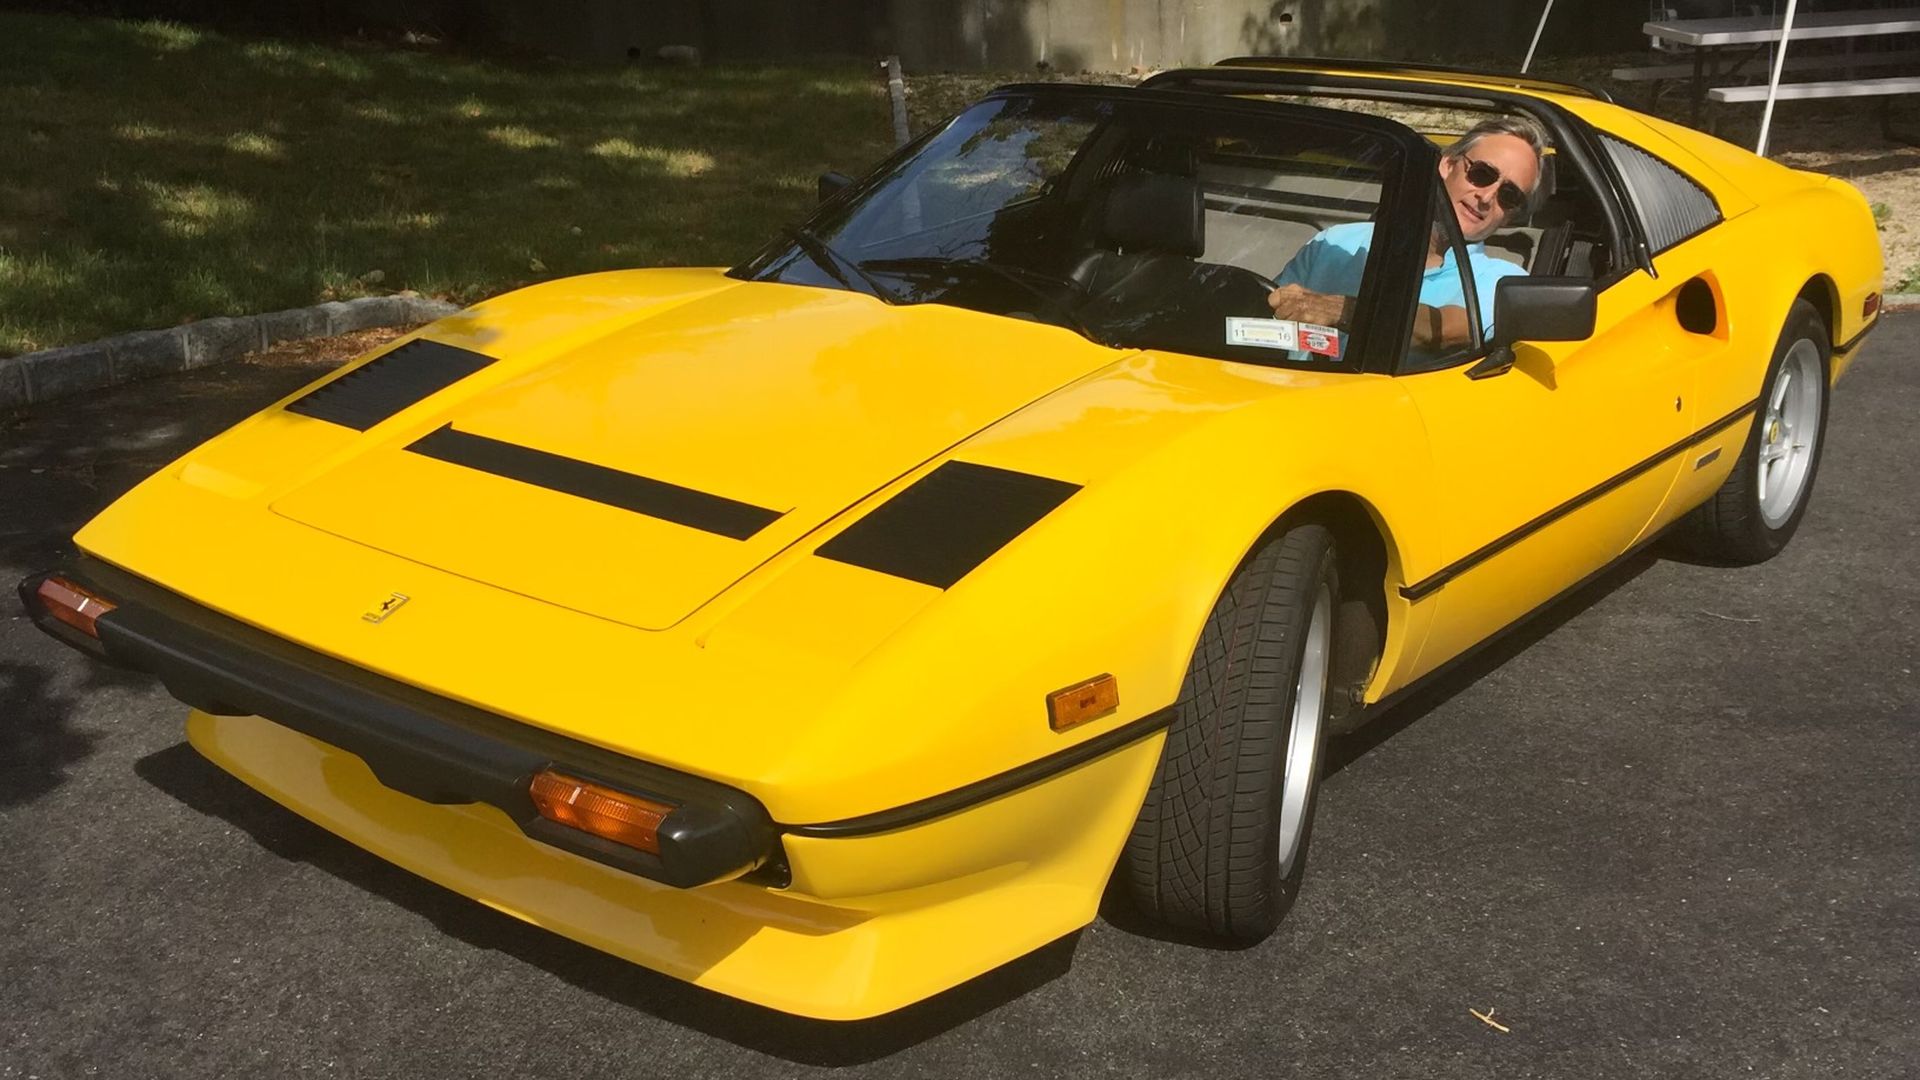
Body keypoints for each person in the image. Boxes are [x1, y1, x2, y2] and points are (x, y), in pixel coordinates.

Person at [1266, 115, 1549, 353]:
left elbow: (1445, 330)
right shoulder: (1334, 242)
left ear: (1510, 214)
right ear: (1447, 165)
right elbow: (1263, 318)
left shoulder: (1504, 283)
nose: (1486, 197)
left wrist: (1345, 311)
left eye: (1509, 195)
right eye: (1482, 173)